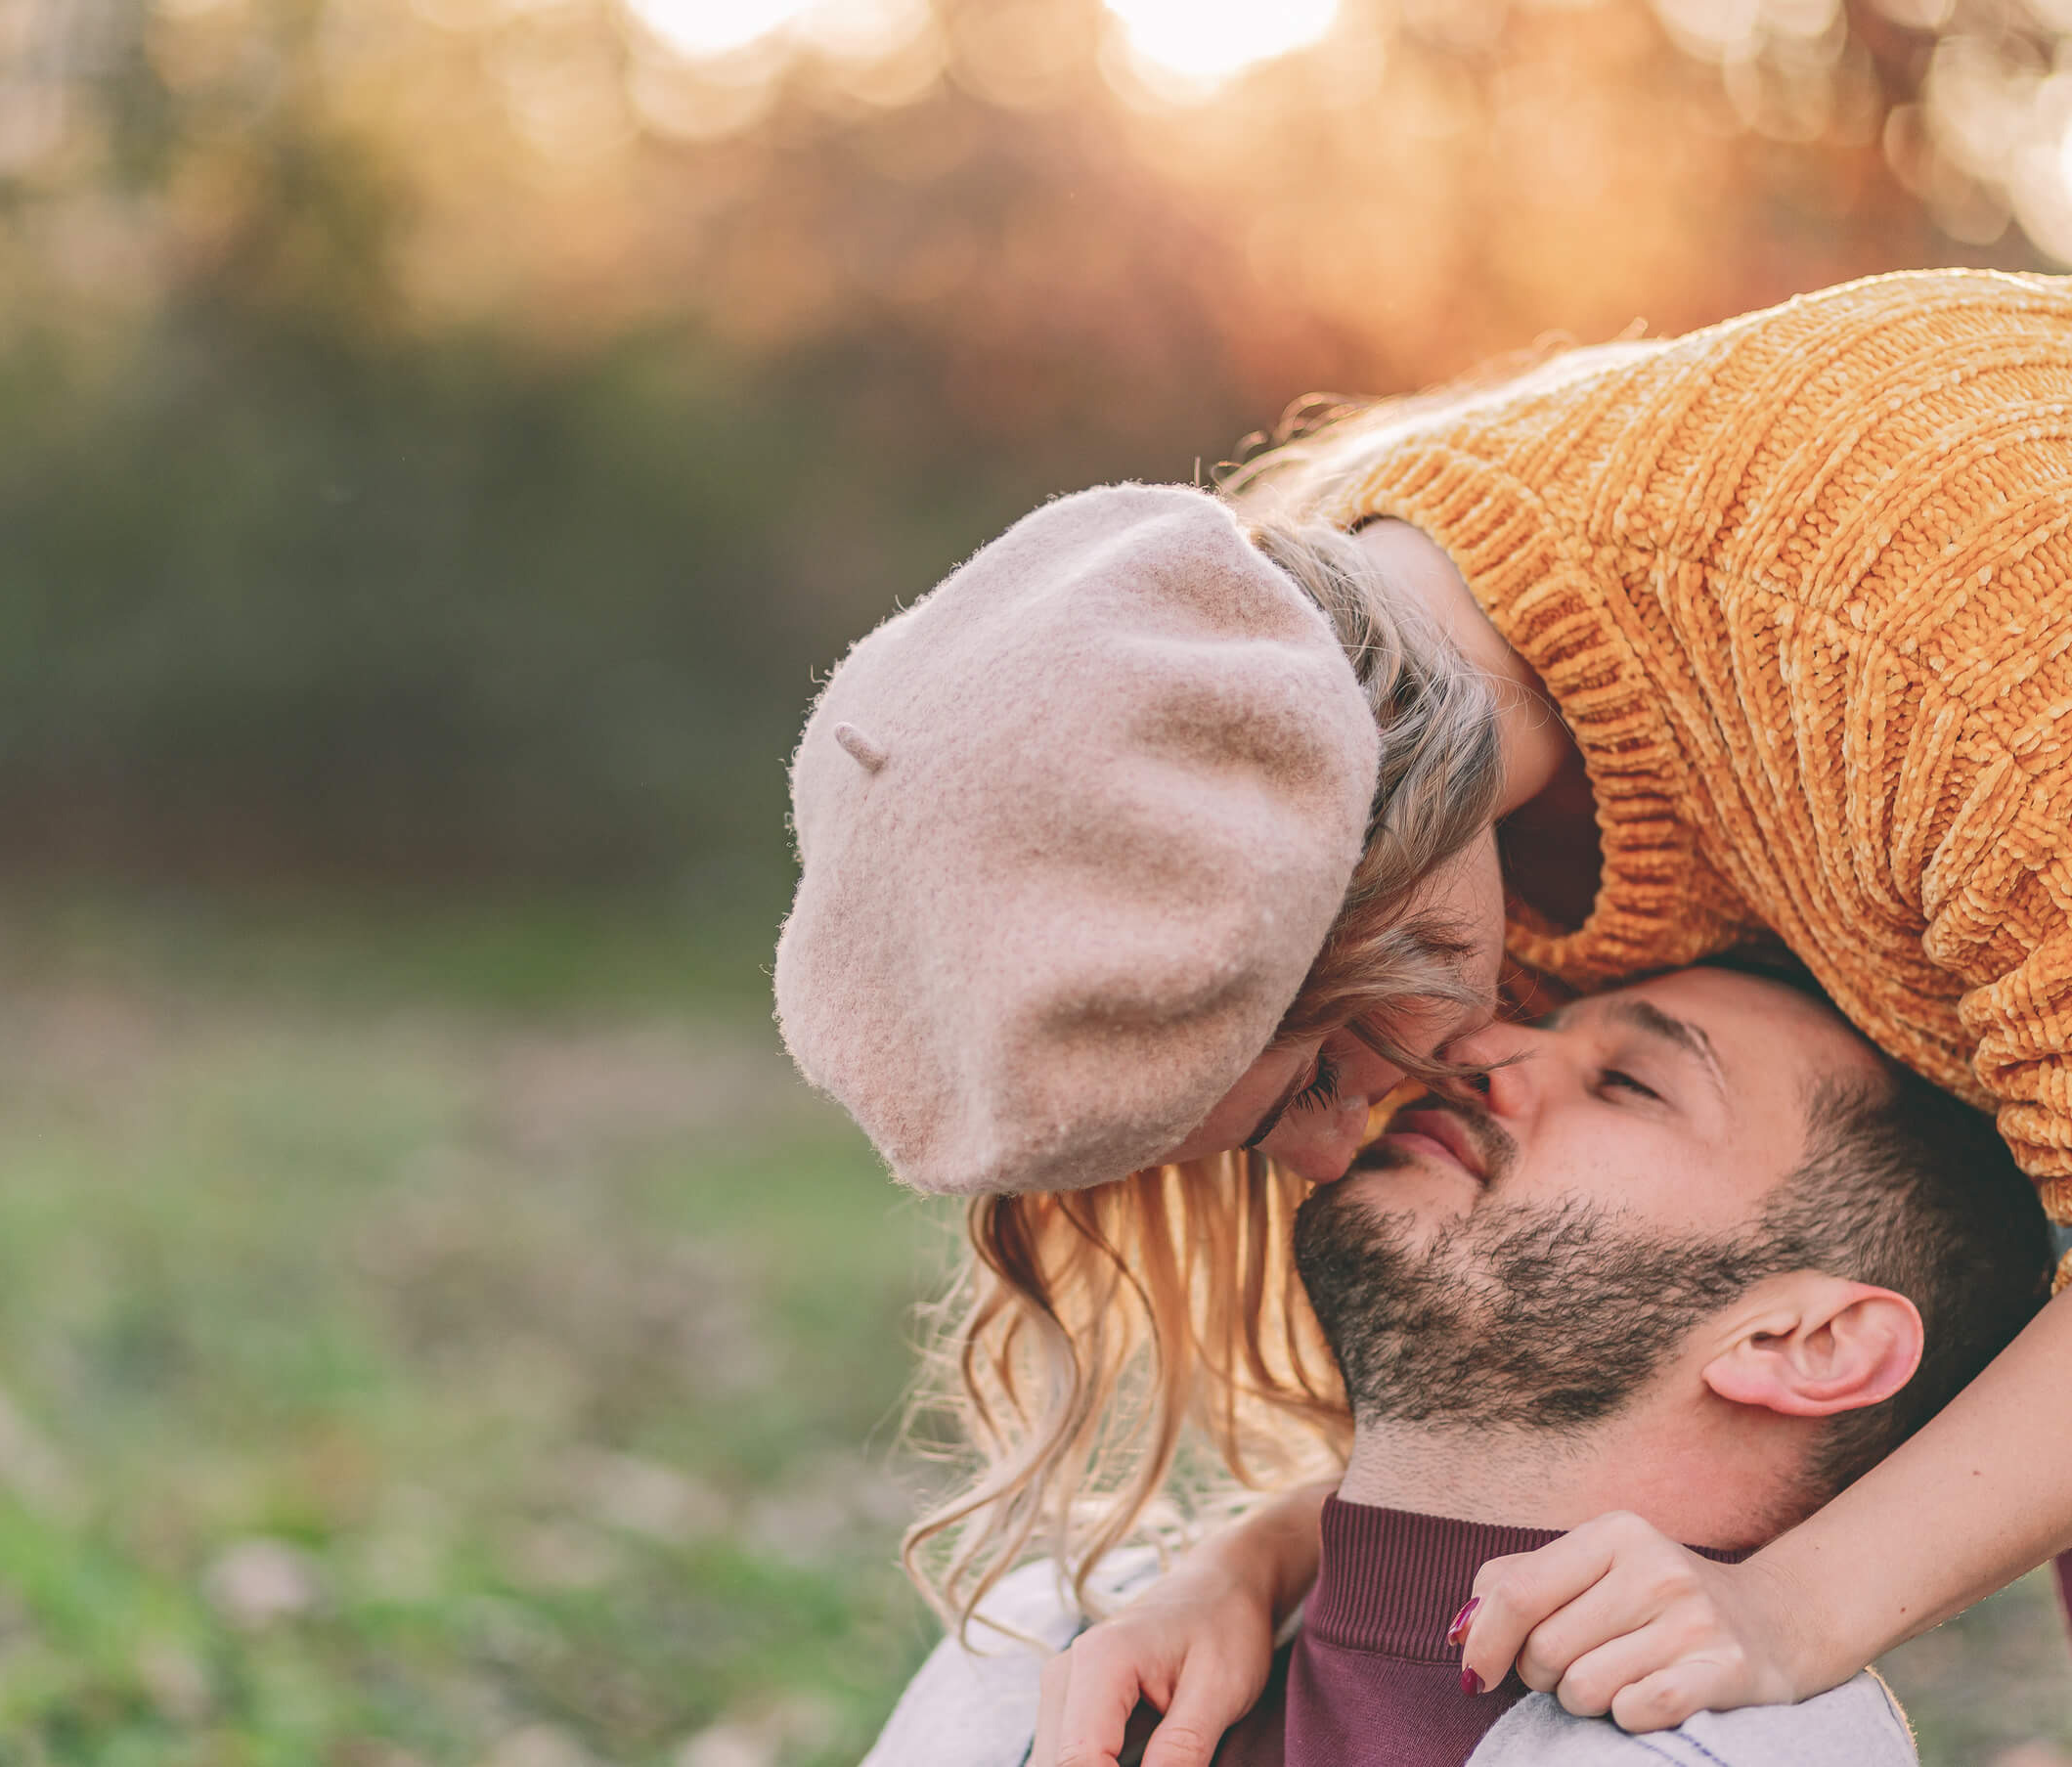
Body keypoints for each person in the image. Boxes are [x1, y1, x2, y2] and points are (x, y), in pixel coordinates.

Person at [773, 266, 2072, 1762]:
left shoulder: (1963, 659)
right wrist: (1272, 1565)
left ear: (1362, 876)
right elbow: (1580, 1368)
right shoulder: (1352, 719)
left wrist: (1796, 1604)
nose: (1340, 1150)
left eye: (1320, 1074)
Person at [860, 965, 2052, 1765]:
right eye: (1541, 1023)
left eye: (1628, 1082)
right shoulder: (1053, 1648)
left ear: (1809, 1342)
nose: (1479, 1051)